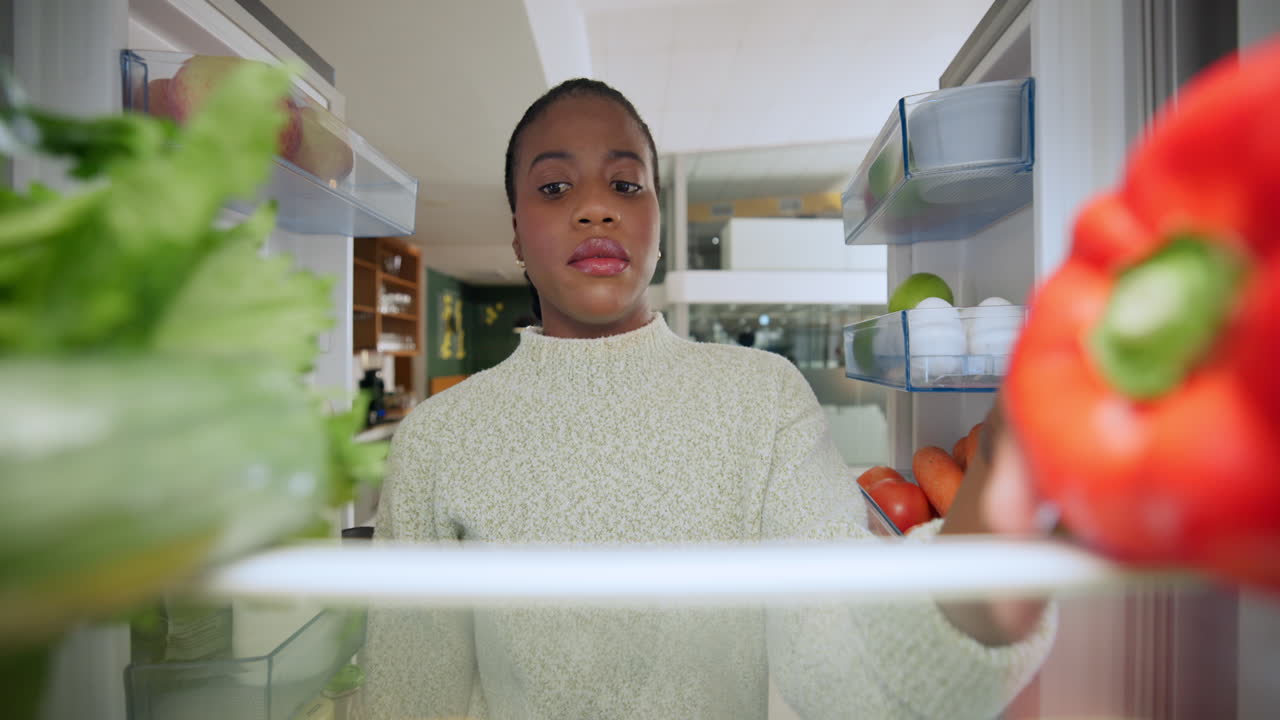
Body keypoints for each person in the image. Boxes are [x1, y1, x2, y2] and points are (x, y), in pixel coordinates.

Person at [363, 78, 1055, 720]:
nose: (596, 206)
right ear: (515, 232)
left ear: (658, 223)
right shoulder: (440, 438)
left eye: (627, 183)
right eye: (553, 188)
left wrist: (1000, 481)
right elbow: (410, 698)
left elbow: (839, 662)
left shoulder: (761, 398)